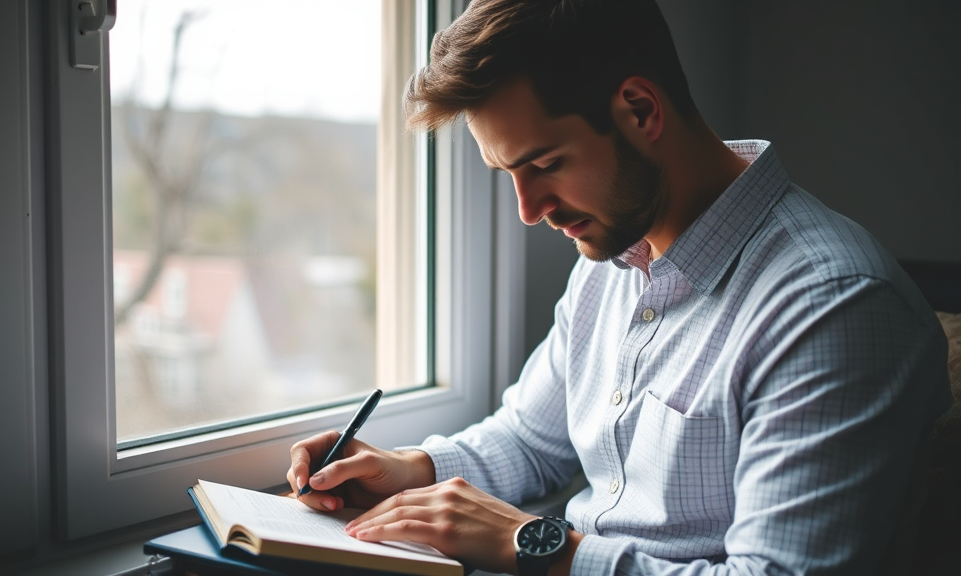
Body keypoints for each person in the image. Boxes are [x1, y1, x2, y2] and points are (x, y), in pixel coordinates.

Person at [288, 1, 951, 574]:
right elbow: (530, 440)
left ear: (639, 109)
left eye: (546, 163)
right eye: (506, 173)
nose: (528, 209)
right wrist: (409, 470)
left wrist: (535, 545)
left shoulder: (835, 308)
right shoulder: (609, 257)